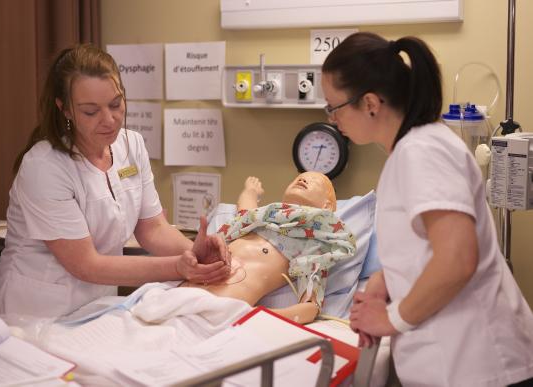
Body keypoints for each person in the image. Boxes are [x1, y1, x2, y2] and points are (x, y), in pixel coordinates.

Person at [320, 31, 533, 386]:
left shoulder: (422, 152)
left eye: (333, 107)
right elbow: (426, 246)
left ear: (370, 103)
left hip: (478, 366)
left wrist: (390, 320)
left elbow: (457, 257)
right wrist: (382, 279)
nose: (331, 118)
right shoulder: (413, 149)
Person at [0, 44, 230, 319]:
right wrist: (179, 267)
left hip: (96, 305)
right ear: (64, 109)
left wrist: (196, 252)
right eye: (91, 111)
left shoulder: (132, 145)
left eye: (116, 104)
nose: (109, 120)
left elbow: (152, 228)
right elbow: (86, 265)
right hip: (35, 312)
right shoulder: (44, 166)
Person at [181, 172, 357, 324]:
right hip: (182, 292)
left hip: (220, 308)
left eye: (315, 181)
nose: (303, 179)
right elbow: (246, 210)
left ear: (326, 207)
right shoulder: (260, 218)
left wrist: (261, 316)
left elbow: (310, 307)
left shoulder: (312, 245)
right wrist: (251, 191)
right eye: (300, 177)